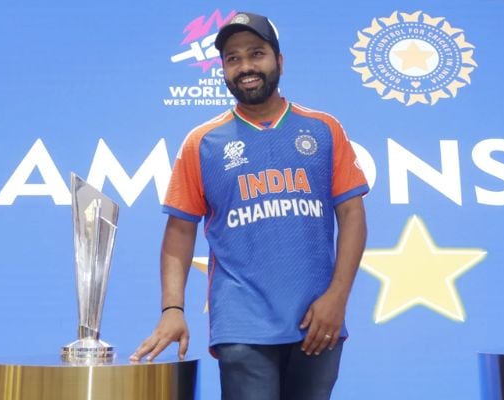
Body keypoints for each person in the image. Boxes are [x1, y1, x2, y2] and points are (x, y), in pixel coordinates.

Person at [131, 11, 368, 400]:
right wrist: (172, 308)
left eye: (256, 54)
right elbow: (180, 229)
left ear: (279, 61)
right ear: (223, 70)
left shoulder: (324, 128)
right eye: (233, 59)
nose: (245, 67)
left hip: (318, 319)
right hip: (242, 323)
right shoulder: (202, 142)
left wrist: (337, 297)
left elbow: (352, 214)